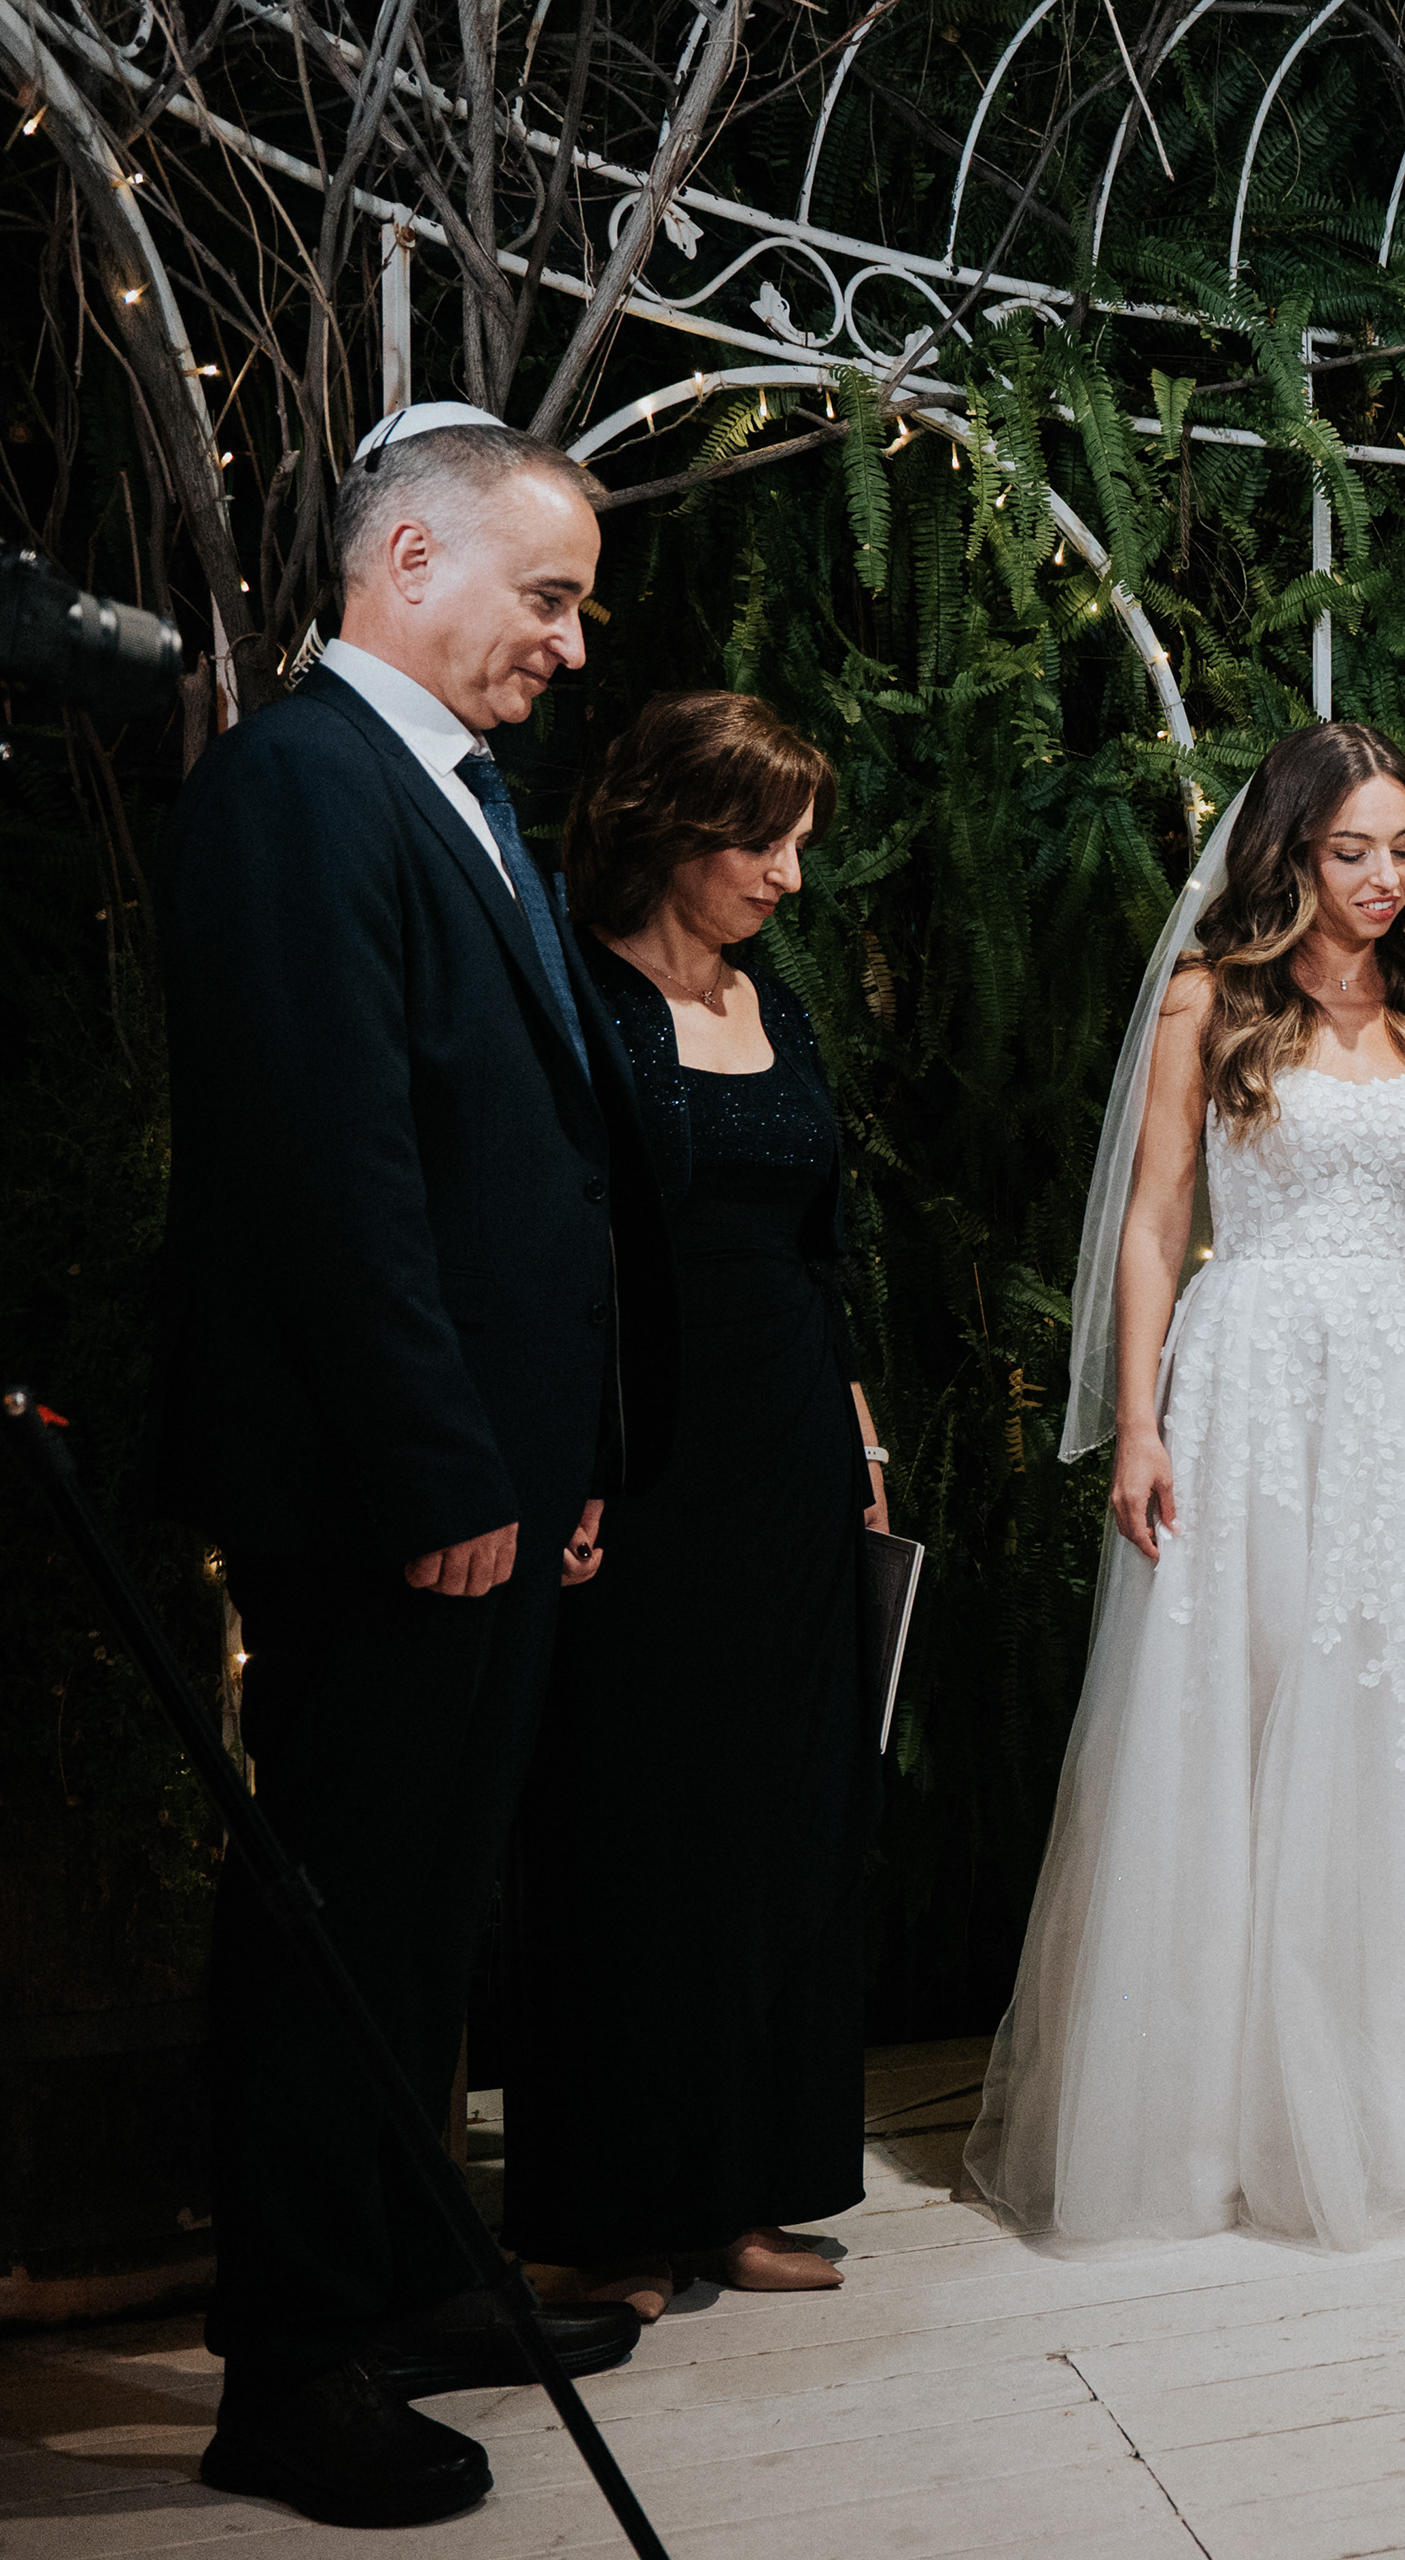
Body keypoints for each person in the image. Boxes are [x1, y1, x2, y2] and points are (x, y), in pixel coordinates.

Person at [152, 402, 662, 2529]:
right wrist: (444, 1468)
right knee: (341, 1916)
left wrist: (567, 1457)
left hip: (495, 1473)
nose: (570, 642)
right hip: (390, 1487)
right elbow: (331, 1168)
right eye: (549, 595)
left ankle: (400, 2274)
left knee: (435, 1902)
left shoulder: (455, 790)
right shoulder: (299, 783)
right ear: (414, 560)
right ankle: (289, 2367)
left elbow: (526, 1165)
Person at [967, 721, 1405, 2250]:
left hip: (1402, 1394)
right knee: (1234, 1726)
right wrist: (1138, 1421)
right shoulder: (1212, 997)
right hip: (1250, 1381)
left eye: (1402, 848)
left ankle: (1403, 2097)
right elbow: (1154, 1221)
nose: (1384, 878)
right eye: (1350, 851)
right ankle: (1213, 2115)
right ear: (1290, 852)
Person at [504, 691, 885, 2315]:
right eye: (764, 843)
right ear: (674, 829)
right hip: (643, 1460)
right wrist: (568, 1459)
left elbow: (815, 1246)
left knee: (778, 1827)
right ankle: (603, 2218)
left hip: (790, 1452)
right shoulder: (574, 991)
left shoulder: (769, 999)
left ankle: (741, 2194)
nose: (791, 875)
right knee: (630, 1829)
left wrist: (860, 1440)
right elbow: (549, 1245)